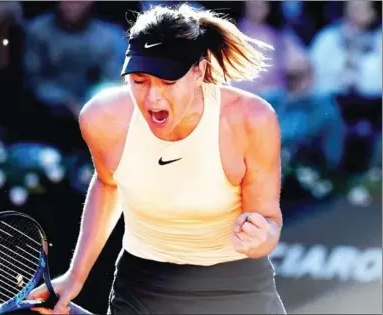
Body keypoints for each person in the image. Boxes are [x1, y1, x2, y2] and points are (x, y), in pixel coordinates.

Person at [28, 4, 286, 314]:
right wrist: (76, 275)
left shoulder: (251, 119)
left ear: (199, 72)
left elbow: (269, 221)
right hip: (143, 286)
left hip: (237, 285)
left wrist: (260, 238)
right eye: (139, 80)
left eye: (167, 81)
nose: (152, 98)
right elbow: (109, 185)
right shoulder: (102, 117)